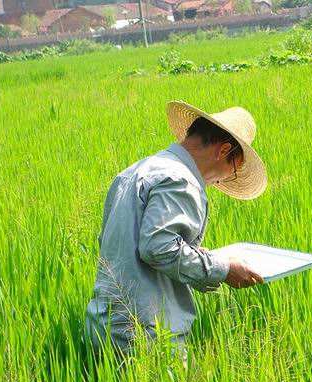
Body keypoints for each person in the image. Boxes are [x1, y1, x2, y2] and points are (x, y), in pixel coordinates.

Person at [84, 100, 268, 366]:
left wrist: (195, 255)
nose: (224, 180)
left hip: (105, 321)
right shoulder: (180, 180)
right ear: (224, 150)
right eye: (234, 170)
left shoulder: (137, 170)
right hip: (147, 334)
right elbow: (158, 248)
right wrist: (224, 269)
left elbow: (129, 244)